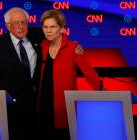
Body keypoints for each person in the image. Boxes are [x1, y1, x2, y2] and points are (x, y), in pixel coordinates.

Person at [0, 7, 83, 140]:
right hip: (12, 111)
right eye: (16, 23)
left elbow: (58, 37)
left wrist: (75, 46)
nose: (21, 27)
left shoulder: (38, 35)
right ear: (7, 25)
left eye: (23, 22)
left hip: (39, 108)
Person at [38, 9, 101, 140]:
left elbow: (90, 75)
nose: (48, 30)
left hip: (64, 109)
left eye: (53, 27)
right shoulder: (40, 46)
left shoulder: (73, 48)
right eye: (45, 27)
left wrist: (108, 97)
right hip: (42, 106)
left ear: (61, 29)